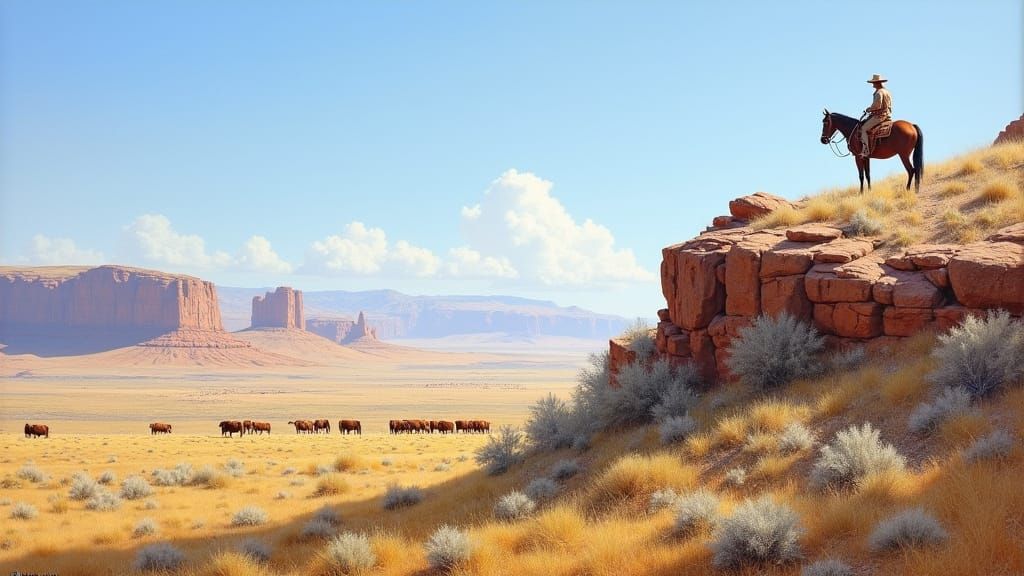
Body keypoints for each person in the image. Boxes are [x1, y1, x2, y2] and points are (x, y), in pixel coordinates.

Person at [859, 74, 892, 157]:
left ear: (877, 83)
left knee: (863, 129)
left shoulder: (879, 92)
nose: (873, 85)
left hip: (879, 116)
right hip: (887, 115)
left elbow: (877, 105)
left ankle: (866, 150)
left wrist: (869, 109)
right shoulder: (887, 92)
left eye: (874, 83)